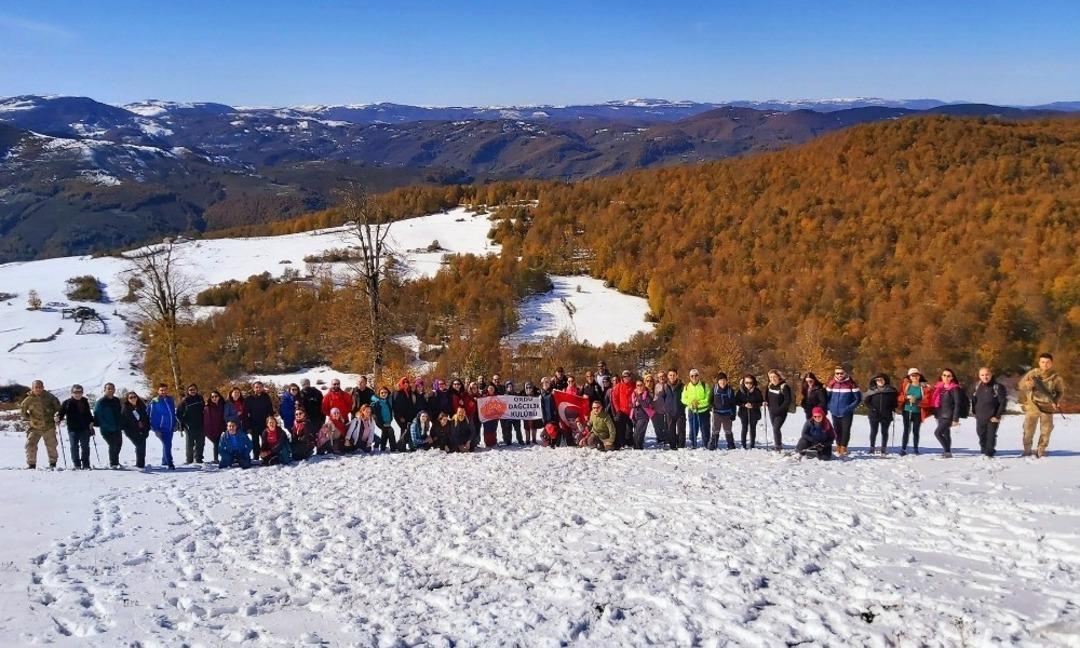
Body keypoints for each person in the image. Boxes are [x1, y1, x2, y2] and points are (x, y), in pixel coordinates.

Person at [1018, 353, 1066, 458]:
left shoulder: (1056, 377)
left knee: (1046, 431)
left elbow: (1060, 392)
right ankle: (1027, 450)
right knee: (1028, 430)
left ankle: (1041, 450)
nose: (1045, 364)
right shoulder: (1032, 374)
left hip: (1048, 408)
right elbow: (1021, 386)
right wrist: (1028, 385)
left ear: (1051, 363)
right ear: (1039, 363)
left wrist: (1056, 401)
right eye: (1043, 362)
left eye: (1048, 362)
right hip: (1032, 406)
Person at [19, 380, 62, 470]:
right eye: (36, 387)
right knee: (30, 444)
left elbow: (58, 408)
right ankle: (31, 464)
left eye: (40, 387)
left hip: (49, 426)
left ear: (43, 387)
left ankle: (53, 463)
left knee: (51, 445)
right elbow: (23, 412)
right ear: (32, 388)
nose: (38, 389)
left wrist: (57, 416)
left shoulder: (50, 397)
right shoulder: (28, 400)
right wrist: (31, 419)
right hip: (34, 427)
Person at [929, 368, 968, 458]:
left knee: (937, 433)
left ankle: (947, 451)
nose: (946, 377)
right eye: (944, 375)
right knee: (946, 433)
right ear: (941, 376)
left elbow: (957, 404)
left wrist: (955, 419)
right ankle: (947, 452)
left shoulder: (955, 388)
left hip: (948, 415)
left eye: (948, 376)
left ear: (952, 377)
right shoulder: (939, 387)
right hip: (940, 414)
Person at [971, 367, 1008, 458]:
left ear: (991, 374)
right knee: (981, 434)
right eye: (982, 375)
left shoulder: (998, 387)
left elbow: (1003, 403)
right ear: (979, 376)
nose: (985, 377)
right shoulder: (977, 386)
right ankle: (984, 450)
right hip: (980, 416)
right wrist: (974, 411)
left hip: (992, 417)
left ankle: (989, 453)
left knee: (991, 436)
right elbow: (974, 400)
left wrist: (997, 416)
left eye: (987, 374)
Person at [57, 384, 95, 469]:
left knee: (85, 446)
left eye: (80, 392)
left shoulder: (85, 401)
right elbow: (61, 413)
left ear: (82, 393)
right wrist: (58, 418)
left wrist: (91, 421)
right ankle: (76, 464)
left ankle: (86, 464)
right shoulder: (67, 403)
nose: (78, 394)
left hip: (85, 427)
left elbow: (88, 413)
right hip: (72, 428)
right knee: (74, 446)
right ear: (72, 393)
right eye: (75, 392)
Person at [826, 367, 861, 457]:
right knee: (836, 430)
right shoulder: (831, 383)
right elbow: (826, 397)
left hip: (846, 412)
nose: (839, 375)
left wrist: (849, 408)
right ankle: (838, 446)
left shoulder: (851, 384)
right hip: (835, 412)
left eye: (841, 373)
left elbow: (858, 399)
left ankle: (843, 447)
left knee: (845, 430)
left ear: (845, 373)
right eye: (837, 373)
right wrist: (830, 407)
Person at [897, 368, 930, 456]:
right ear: (909, 377)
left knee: (916, 430)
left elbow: (927, 401)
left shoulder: (924, 387)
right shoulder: (905, 385)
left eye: (916, 375)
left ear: (919, 376)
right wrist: (906, 397)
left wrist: (916, 401)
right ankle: (903, 449)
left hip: (917, 411)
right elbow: (899, 397)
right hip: (907, 410)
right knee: (906, 430)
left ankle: (916, 449)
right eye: (912, 375)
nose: (915, 377)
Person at [863, 374, 898, 454]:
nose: (880, 381)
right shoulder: (871, 390)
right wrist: (872, 408)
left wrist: (892, 407)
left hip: (886, 414)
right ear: (875, 382)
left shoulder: (891, 391)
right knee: (873, 431)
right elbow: (866, 402)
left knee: (884, 431)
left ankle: (883, 448)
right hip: (874, 414)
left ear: (885, 380)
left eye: (881, 380)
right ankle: (872, 447)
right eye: (878, 380)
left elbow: (895, 402)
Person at [93, 382, 124, 468]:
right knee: (112, 444)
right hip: (106, 428)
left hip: (117, 427)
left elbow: (120, 412)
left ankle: (116, 462)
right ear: (105, 390)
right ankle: (113, 463)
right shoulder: (101, 402)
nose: (110, 390)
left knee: (119, 444)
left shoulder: (117, 400)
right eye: (108, 389)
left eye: (112, 389)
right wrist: (101, 424)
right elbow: (97, 414)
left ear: (114, 390)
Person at [148, 383, 178, 470]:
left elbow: (172, 413)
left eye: (165, 390)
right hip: (160, 428)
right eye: (161, 390)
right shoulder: (155, 401)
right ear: (158, 391)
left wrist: (175, 424)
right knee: (167, 444)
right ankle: (170, 463)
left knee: (167, 444)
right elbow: (150, 415)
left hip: (170, 427)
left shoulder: (170, 399)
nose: (163, 392)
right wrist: (155, 429)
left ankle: (164, 461)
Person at [764, 370, 794, 451]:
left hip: (781, 412)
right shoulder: (769, 385)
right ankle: (778, 444)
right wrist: (765, 402)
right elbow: (766, 396)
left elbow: (787, 400)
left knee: (776, 428)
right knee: (775, 428)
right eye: (770, 377)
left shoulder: (784, 386)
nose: (772, 379)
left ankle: (778, 447)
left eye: (774, 377)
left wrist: (780, 410)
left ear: (779, 377)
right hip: (771, 411)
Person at [177, 383, 206, 464]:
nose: (192, 391)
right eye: (190, 390)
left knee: (200, 443)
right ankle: (189, 460)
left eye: (194, 389)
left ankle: (198, 458)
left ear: (197, 390)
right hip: (189, 426)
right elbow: (178, 414)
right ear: (188, 391)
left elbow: (204, 409)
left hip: (200, 424)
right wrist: (184, 422)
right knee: (190, 444)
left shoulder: (200, 398)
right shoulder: (184, 401)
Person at [121, 391, 151, 469]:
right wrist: (128, 430)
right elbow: (123, 422)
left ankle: (141, 464)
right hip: (131, 432)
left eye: (134, 397)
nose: (133, 399)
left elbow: (146, 418)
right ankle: (140, 465)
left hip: (143, 430)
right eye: (131, 397)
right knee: (140, 446)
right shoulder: (125, 408)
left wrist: (147, 429)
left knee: (142, 448)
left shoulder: (141, 406)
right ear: (127, 399)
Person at [734, 374, 764, 449]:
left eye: (750, 383)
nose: (748, 384)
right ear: (743, 382)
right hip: (743, 412)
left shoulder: (757, 391)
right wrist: (744, 405)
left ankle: (752, 444)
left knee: (752, 428)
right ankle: (743, 444)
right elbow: (736, 401)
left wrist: (753, 405)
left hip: (754, 412)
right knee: (744, 428)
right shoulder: (740, 391)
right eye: (746, 383)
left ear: (753, 383)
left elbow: (760, 402)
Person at [246, 381, 275, 457]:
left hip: (264, 423)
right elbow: (246, 414)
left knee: (265, 441)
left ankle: (265, 456)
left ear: (262, 388)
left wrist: (272, 421)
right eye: (256, 387)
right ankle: (256, 457)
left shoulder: (266, 397)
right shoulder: (249, 399)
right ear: (253, 388)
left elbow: (270, 410)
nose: (258, 389)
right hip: (254, 424)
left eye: (260, 387)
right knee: (255, 442)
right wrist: (248, 426)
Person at [710, 373, 737, 450]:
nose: (722, 382)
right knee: (715, 430)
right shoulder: (714, 389)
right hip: (717, 413)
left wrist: (733, 414)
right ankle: (713, 444)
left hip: (727, 413)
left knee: (728, 430)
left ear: (727, 381)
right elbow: (710, 400)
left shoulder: (730, 390)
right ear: (718, 381)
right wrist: (711, 406)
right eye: (721, 380)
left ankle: (731, 444)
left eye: (724, 380)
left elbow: (733, 404)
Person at [610, 370, 635, 449]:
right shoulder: (619, 386)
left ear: (630, 377)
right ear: (622, 378)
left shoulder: (634, 385)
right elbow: (614, 398)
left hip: (631, 411)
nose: (626, 378)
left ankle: (629, 442)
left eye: (628, 376)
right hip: (622, 410)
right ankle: (621, 443)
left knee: (630, 428)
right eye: (624, 376)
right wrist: (617, 409)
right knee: (621, 428)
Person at [391, 377, 417, 450]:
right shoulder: (397, 392)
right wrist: (400, 416)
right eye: (404, 382)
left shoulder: (409, 391)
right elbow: (395, 406)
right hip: (400, 416)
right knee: (404, 429)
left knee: (409, 429)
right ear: (401, 383)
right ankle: (401, 446)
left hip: (409, 415)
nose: (406, 384)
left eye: (407, 382)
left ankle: (410, 445)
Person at [202, 390, 226, 463]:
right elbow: (207, 421)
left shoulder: (223, 406)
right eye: (212, 397)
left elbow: (223, 418)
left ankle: (225, 458)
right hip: (210, 430)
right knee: (216, 443)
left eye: (216, 396)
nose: (214, 398)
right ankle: (216, 459)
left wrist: (224, 428)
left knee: (219, 443)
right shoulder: (207, 407)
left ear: (219, 397)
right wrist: (208, 431)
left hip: (220, 429)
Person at [630, 378, 654, 450]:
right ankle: (639, 446)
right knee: (640, 432)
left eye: (641, 385)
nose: (639, 387)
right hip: (635, 415)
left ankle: (637, 447)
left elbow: (649, 405)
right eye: (638, 385)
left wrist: (640, 398)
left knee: (637, 432)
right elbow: (630, 404)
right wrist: (635, 404)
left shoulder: (647, 394)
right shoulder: (633, 393)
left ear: (644, 385)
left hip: (644, 416)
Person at [371, 386, 397, 451]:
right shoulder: (377, 403)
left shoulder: (388, 401)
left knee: (385, 433)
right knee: (390, 431)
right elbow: (376, 415)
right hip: (380, 422)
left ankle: (382, 447)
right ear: (379, 394)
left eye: (385, 392)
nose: (384, 394)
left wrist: (390, 419)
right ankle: (393, 448)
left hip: (388, 421)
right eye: (382, 393)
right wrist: (382, 423)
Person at [667, 369, 687, 448]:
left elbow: (686, 397)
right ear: (668, 376)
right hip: (670, 412)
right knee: (671, 430)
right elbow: (662, 397)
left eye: (674, 375)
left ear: (677, 376)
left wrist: (683, 406)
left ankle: (681, 445)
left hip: (680, 411)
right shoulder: (665, 386)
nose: (672, 377)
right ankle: (672, 445)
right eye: (670, 375)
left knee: (681, 430)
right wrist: (666, 407)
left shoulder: (682, 386)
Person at [501, 380, 524, 445]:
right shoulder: (504, 396)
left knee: (518, 429)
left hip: (515, 415)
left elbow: (521, 403)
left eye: (511, 386)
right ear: (506, 388)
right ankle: (508, 441)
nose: (510, 388)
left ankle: (520, 440)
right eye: (508, 386)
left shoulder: (516, 395)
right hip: (508, 416)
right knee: (508, 429)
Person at [480, 384, 501, 448]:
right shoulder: (484, 396)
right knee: (487, 430)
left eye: (492, 388)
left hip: (495, 416)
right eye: (490, 388)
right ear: (487, 389)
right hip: (486, 416)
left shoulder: (497, 396)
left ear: (494, 389)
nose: (491, 389)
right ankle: (487, 443)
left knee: (493, 429)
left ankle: (493, 442)